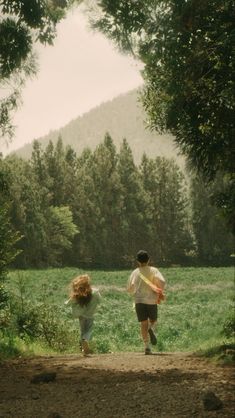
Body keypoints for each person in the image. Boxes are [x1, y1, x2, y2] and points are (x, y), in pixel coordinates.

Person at [127, 250, 166, 355]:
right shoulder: (154, 270)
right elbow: (162, 282)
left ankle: (147, 347)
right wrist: (158, 289)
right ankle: (152, 329)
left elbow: (130, 288)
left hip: (139, 301)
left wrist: (134, 291)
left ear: (137, 262)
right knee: (153, 321)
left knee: (143, 323)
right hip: (151, 300)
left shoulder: (135, 272)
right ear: (149, 260)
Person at [65, 274, 101, 356]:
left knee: (82, 331)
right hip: (90, 316)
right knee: (88, 331)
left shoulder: (80, 294)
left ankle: (83, 349)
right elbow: (100, 301)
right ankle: (85, 341)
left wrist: (67, 302)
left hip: (81, 316)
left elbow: (68, 303)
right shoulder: (95, 292)